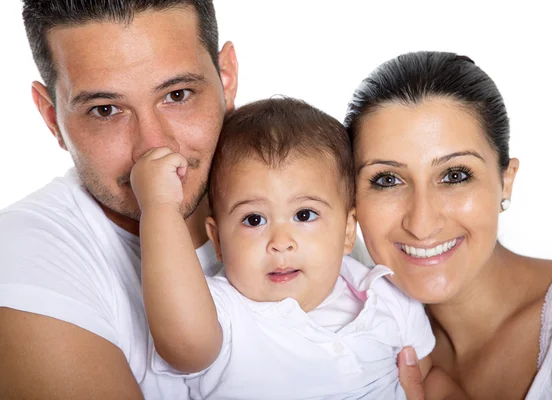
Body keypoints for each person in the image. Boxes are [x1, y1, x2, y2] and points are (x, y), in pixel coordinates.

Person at [0, 1, 238, 398]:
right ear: (50, 116)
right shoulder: (23, 253)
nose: (153, 146)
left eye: (178, 94)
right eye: (106, 110)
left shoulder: (312, 196)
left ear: (226, 79)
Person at [131, 97, 437, 399]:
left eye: (304, 215)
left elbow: (425, 377)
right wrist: (160, 208)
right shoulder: (222, 314)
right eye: (253, 219)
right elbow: (182, 342)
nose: (280, 242)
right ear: (218, 240)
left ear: (347, 230)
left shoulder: (387, 295)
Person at [345, 51, 552, 399]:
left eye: (454, 175)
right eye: (387, 179)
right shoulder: (347, 333)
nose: (422, 223)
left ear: (505, 181)